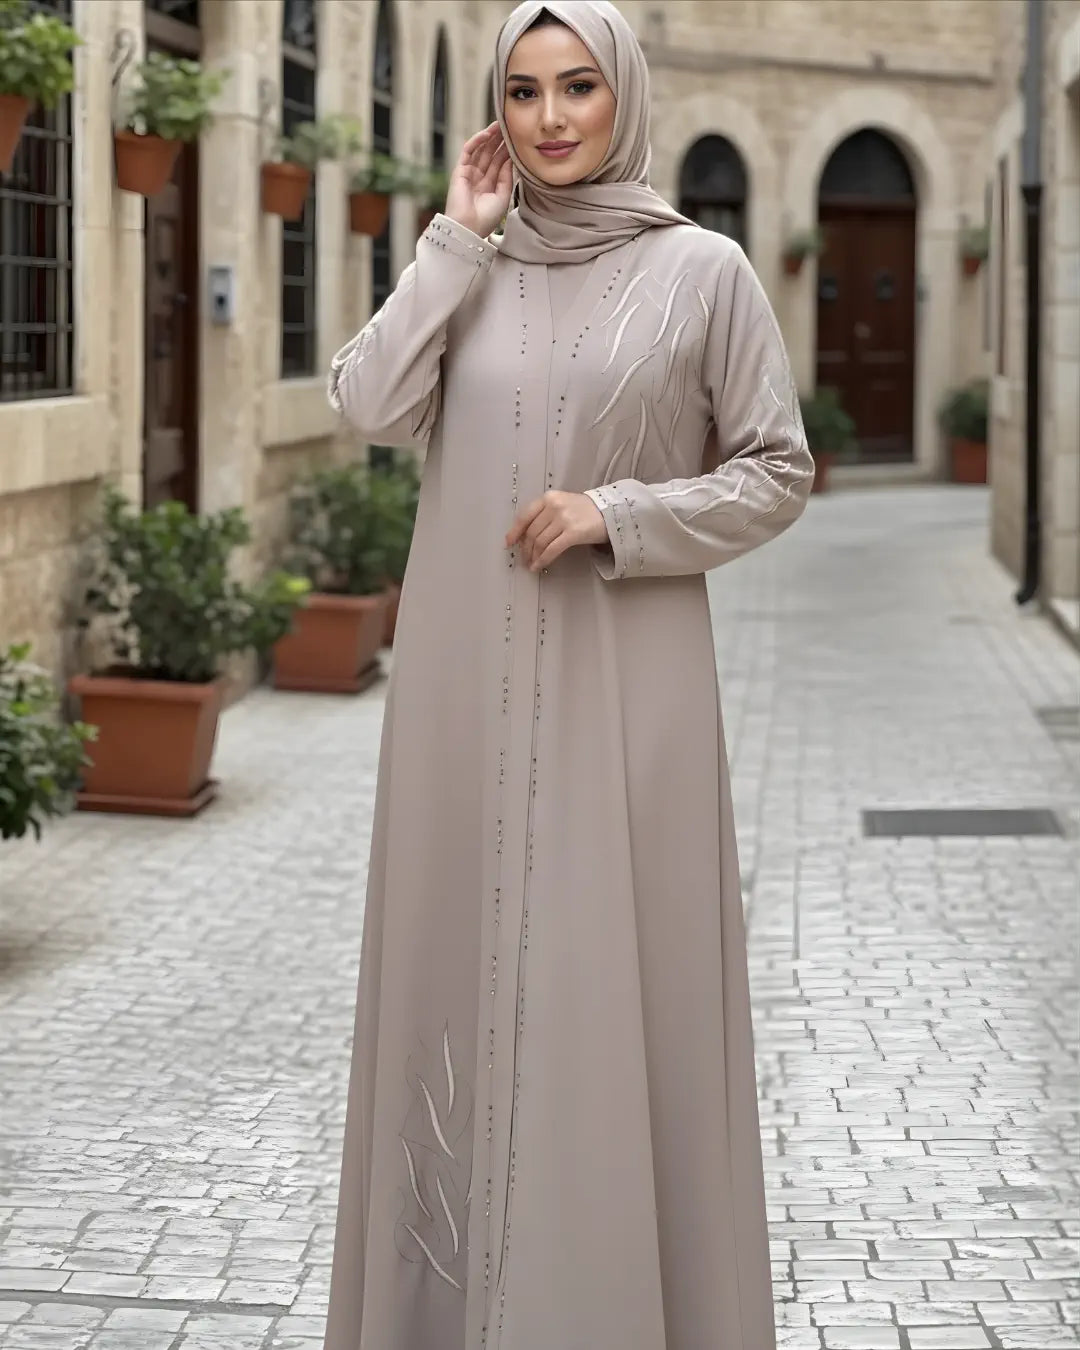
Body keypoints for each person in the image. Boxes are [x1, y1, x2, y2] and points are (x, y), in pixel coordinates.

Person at [322, 3, 813, 1346]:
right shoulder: (467, 263)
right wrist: (450, 238)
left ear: (623, 95)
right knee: (454, 982)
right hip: (456, 708)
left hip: (626, 689)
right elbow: (364, 406)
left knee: (612, 989)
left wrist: (621, 514)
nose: (550, 118)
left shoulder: (703, 271)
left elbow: (777, 469)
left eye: (579, 87)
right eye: (525, 91)